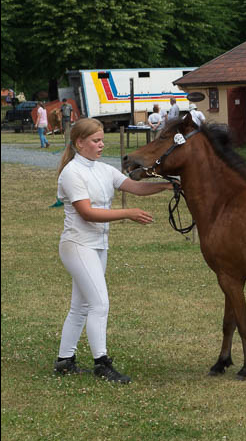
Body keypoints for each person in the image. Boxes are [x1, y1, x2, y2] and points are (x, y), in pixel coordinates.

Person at [53, 118, 173, 383]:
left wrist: (166, 185)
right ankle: (101, 363)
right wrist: (127, 213)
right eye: (96, 141)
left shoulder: (103, 169)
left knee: (81, 306)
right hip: (78, 245)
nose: (101, 145)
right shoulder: (72, 173)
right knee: (99, 303)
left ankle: (64, 361)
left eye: (102, 140)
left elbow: (136, 187)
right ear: (79, 143)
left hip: (96, 246)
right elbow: (86, 213)